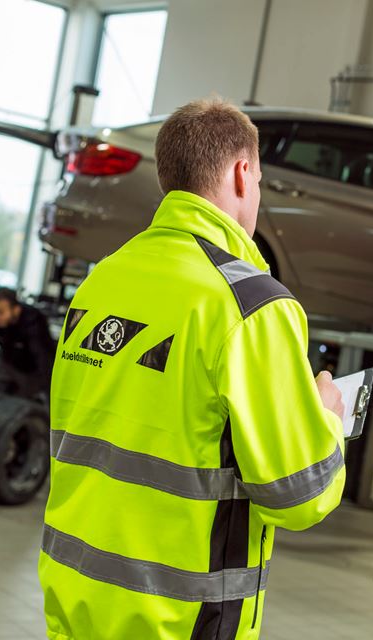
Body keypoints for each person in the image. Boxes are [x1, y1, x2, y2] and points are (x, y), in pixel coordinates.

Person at [39, 99, 347, 640]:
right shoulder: (251, 306)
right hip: (181, 619)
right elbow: (297, 495)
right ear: (242, 173)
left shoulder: (103, 281)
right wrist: (324, 420)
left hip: (75, 599)